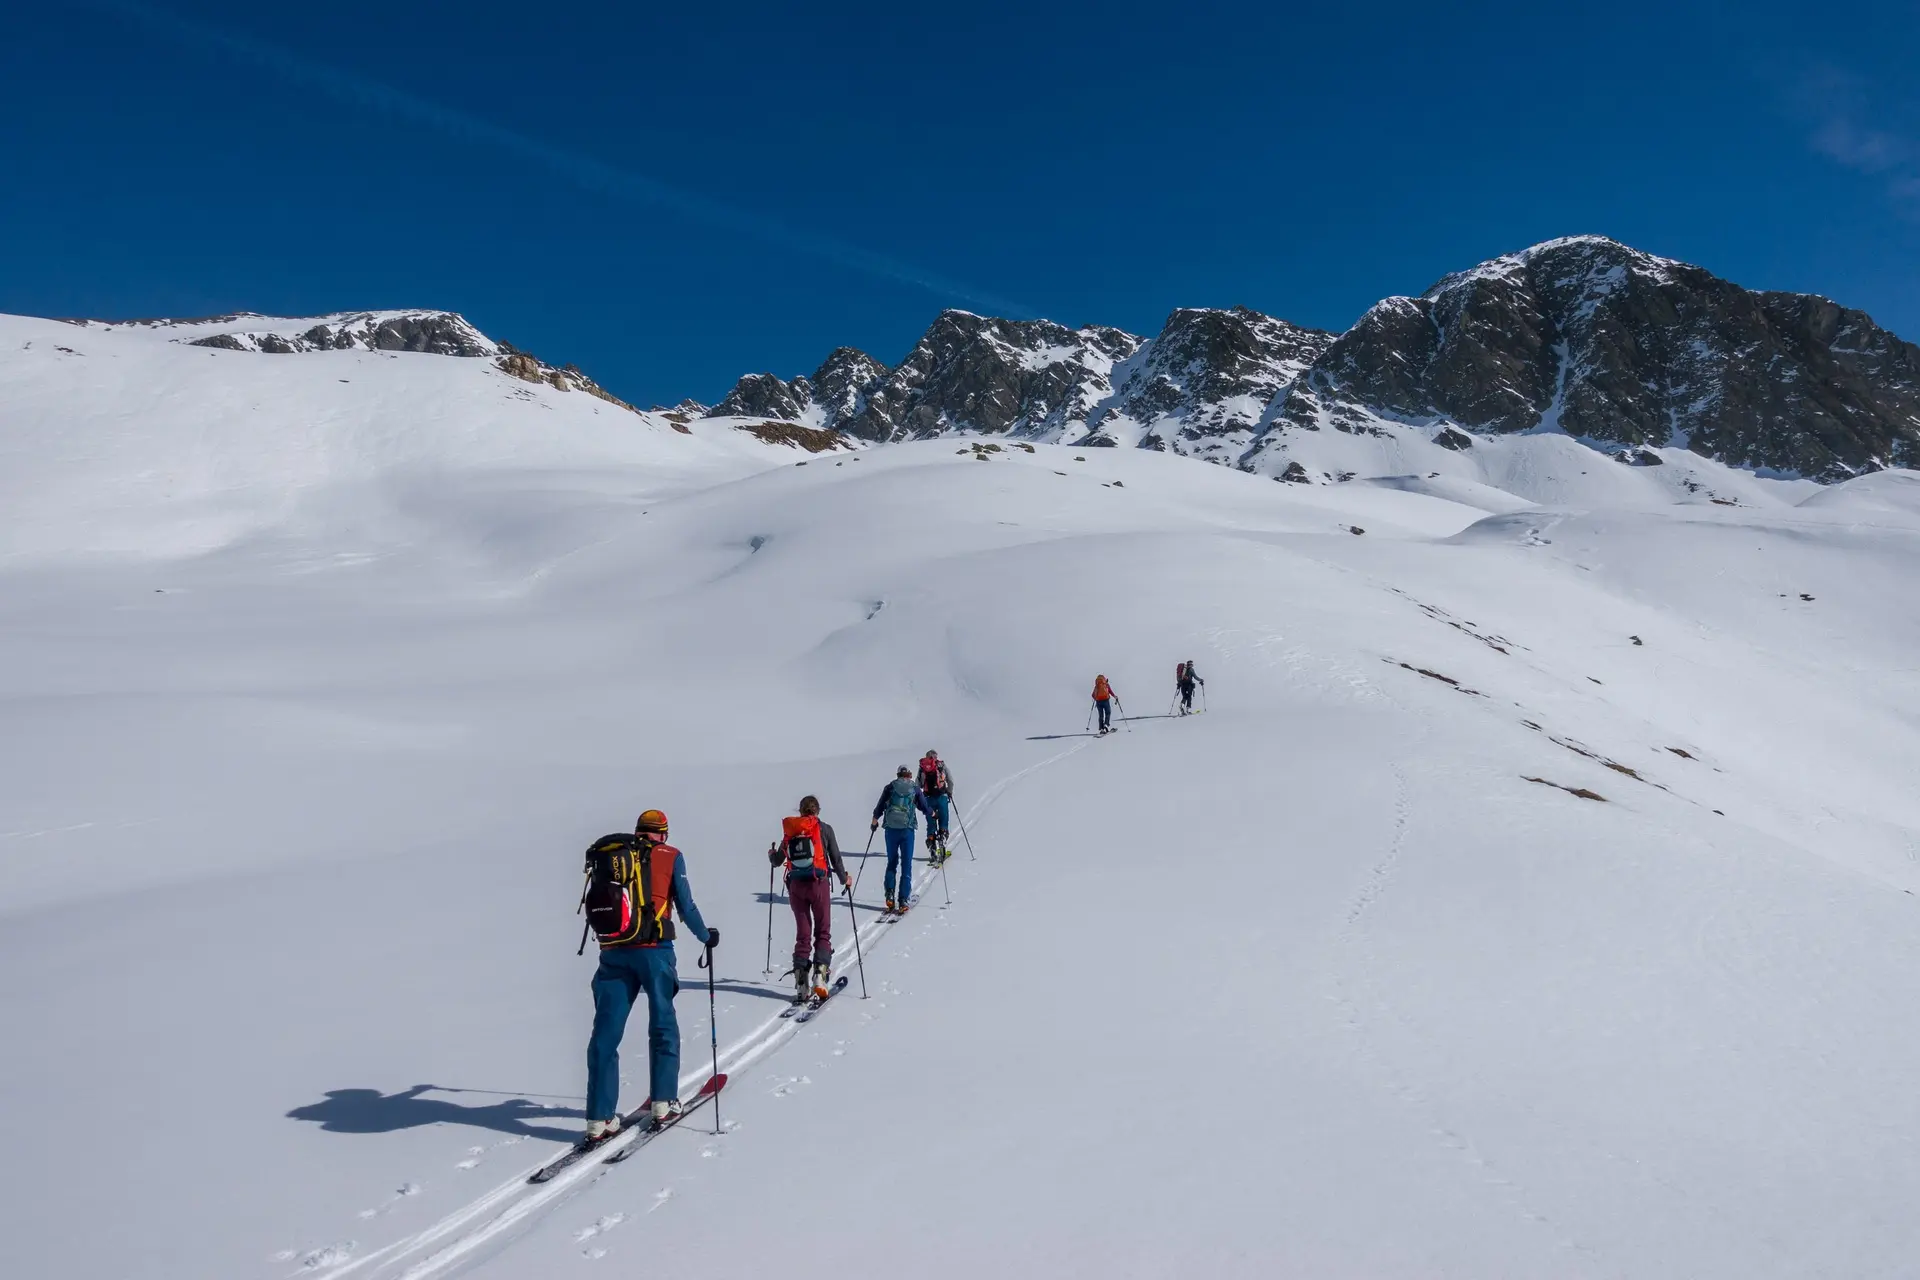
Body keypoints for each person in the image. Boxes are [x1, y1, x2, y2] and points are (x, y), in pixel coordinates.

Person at [582, 809, 716, 1142]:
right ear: (663, 834)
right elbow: (685, 905)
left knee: (605, 1035)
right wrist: (706, 936)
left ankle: (599, 1119)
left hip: (613, 953)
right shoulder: (670, 856)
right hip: (655, 951)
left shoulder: (613, 857)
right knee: (662, 1025)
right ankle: (663, 1102)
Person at [768, 795, 851, 1002]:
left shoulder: (792, 830)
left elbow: (777, 860)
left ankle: (801, 983)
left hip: (796, 886)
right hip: (818, 884)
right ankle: (820, 976)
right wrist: (845, 879)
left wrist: (771, 854)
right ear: (817, 810)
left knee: (803, 934)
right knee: (823, 931)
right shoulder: (824, 829)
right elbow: (835, 858)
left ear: (801, 811)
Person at [870, 765, 934, 914]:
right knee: (906, 864)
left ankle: (890, 896)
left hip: (891, 830)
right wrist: (932, 814)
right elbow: (924, 807)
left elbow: (879, 807)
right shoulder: (914, 788)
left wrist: (874, 822)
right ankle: (903, 899)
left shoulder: (890, 787)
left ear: (898, 775)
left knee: (892, 862)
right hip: (907, 830)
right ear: (909, 775)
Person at [917, 750, 955, 860]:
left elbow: (917, 784)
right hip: (942, 797)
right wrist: (949, 791)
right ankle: (942, 837)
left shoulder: (922, 767)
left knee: (931, 823)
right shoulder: (941, 765)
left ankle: (932, 845)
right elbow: (951, 780)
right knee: (943, 820)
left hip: (928, 799)